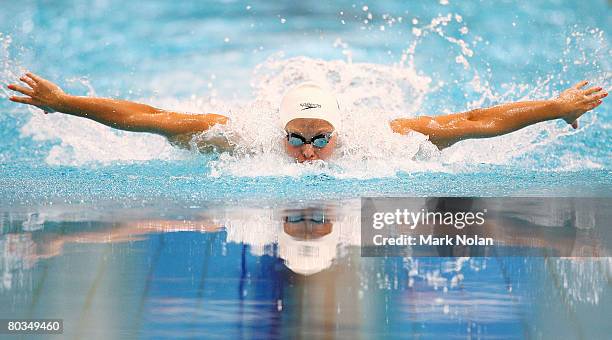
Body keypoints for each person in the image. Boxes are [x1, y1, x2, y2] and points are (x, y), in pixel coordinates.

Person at [6, 72, 607, 162]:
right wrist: (64, 105)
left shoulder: (383, 141)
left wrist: (554, 109)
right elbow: (145, 116)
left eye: (319, 139)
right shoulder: (235, 137)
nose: (309, 153)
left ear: (340, 130)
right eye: (296, 138)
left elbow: (477, 120)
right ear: (277, 129)